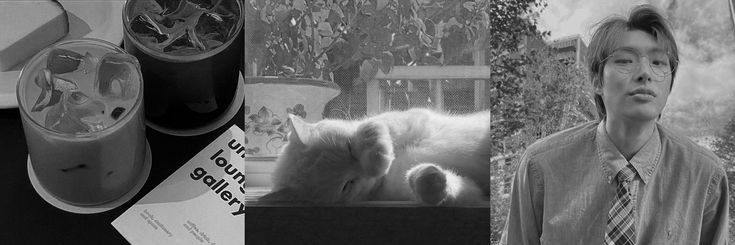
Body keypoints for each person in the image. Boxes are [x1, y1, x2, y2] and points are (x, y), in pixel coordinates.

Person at [501, 4, 729, 245]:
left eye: (659, 62)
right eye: (625, 60)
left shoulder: (706, 176)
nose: (644, 73)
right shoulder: (540, 167)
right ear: (597, 80)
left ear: (670, 84)